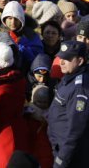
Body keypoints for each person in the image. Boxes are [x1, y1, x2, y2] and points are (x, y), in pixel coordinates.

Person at [47, 40, 89, 168]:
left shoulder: (79, 89)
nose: (61, 62)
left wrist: (61, 161)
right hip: (60, 148)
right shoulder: (69, 78)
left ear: (80, 61)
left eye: (67, 59)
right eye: (61, 58)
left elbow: (75, 130)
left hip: (70, 158)